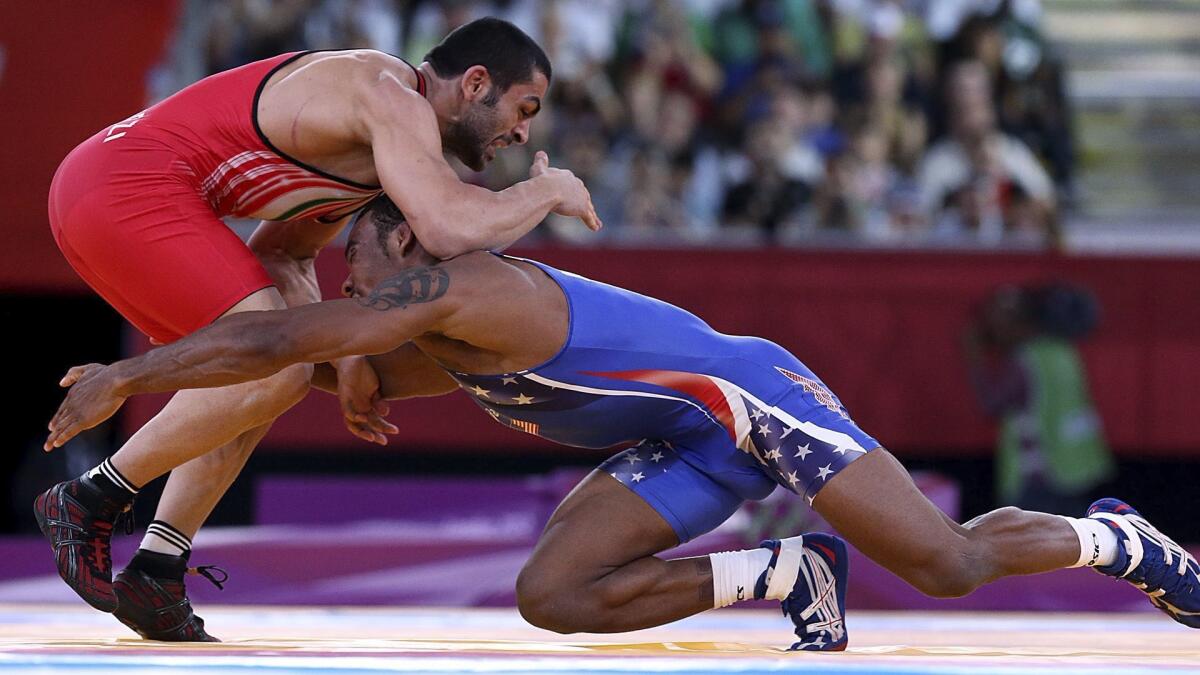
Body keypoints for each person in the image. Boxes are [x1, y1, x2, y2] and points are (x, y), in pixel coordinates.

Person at [45, 197, 1200, 647]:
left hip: (756, 403)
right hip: (678, 445)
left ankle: (1122, 541)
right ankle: (792, 573)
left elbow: (275, 345)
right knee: (552, 599)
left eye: (359, 250)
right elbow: (284, 373)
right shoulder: (429, 326)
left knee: (944, 566)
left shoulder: (468, 288)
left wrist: (120, 383)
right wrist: (328, 374)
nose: (348, 271)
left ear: (407, 245)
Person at [35, 17, 599, 642]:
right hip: (123, 188)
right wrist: (545, 192)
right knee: (276, 366)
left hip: (105, 192)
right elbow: (447, 229)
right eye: (524, 109)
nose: (522, 132)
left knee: (273, 364)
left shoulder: (381, 133)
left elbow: (288, 256)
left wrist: (351, 353)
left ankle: (158, 567)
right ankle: (89, 500)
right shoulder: (389, 93)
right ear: (474, 83)